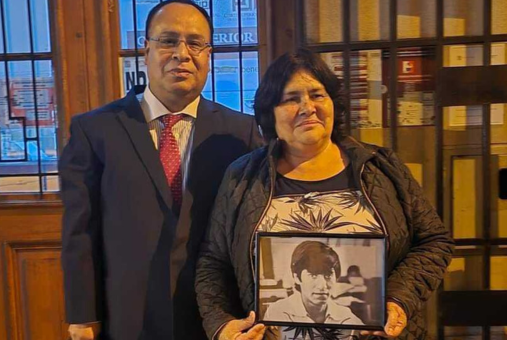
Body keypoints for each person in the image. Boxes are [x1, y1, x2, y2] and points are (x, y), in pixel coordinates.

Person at [195, 49, 454, 340]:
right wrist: (220, 325)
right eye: (291, 99)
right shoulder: (242, 177)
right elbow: (213, 261)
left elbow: (434, 241)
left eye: (317, 95)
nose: (308, 107)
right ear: (270, 114)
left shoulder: (381, 167)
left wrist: (398, 299)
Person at [59, 1, 262, 339]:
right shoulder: (95, 130)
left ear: (208, 54)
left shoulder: (241, 133)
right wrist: (82, 315)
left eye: (195, 43)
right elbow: (80, 231)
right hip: (127, 315)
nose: (182, 53)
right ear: (146, 50)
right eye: (168, 40)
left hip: (215, 318)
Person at [264, 241, 363, 325]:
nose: (322, 286)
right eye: (313, 276)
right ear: (297, 278)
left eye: (328, 276)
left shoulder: (346, 317)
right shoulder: (278, 313)